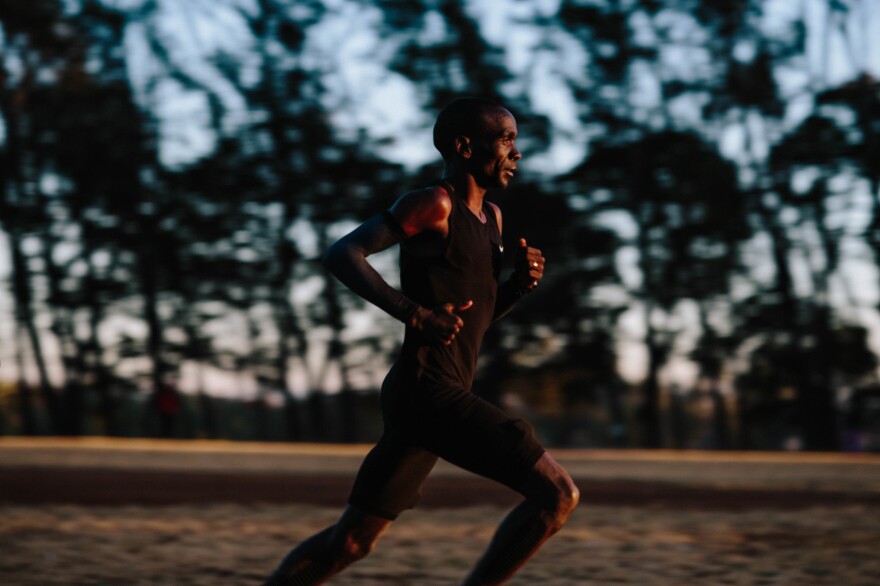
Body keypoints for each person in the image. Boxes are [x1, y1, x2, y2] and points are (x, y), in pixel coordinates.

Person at [264, 97, 579, 586]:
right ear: (464, 146)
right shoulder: (434, 204)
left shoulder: (492, 219)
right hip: (428, 393)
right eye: (507, 140)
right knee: (557, 494)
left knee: (350, 542)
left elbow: (472, 322)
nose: (517, 154)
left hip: (429, 397)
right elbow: (343, 253)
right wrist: (414, 314)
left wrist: (516, 287)